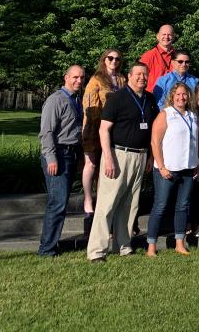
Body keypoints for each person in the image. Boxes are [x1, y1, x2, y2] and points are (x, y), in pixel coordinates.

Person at [87, 63, 161, 262]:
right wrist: (108, 158)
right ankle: (97, 251)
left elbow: (152, 132)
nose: (142, 78)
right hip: (118, 154)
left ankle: (123, 245)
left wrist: (151, 157)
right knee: (107, 203)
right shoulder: (117, 98)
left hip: (140, 155)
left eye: (145, 74)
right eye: (138, 74)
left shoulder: (149, 99)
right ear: (129, 76)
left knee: (130, 204)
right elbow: (104, 130)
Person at [147, 82, 199, 257]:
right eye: (177, 94)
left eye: (184, 94)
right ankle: (151, 246)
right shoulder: (166, 114)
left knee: (183, 206)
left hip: (187, 167)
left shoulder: (193, 115)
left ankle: (179, 243)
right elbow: (155, 142)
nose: (181, 97)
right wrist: (161, 166)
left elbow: (196, 141)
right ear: (172, 96)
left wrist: (197, 162)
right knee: (160, 206)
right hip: (167, 168)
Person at [38, 65, 85, 257]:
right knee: (57, 202)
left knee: (61, 201)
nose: (79, 81)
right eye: (75, 77)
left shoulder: (77, 100)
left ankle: (51, 244)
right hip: (58, 154)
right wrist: (51, 158)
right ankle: (46, 249)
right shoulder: (55, 100)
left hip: (72, 154)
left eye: (82, 78)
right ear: (66, 78)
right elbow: (46, 132)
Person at [81, 50, 124, 233]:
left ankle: (102, 200)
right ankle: (88, 199)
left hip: (114, 129)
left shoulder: (122, 80)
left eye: (117, 59)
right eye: (110, 58)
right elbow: (89, 104)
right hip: (94, 126)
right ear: (104, 60)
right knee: (91, 164)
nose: (114, 61)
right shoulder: (96, 79)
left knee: (105, 167)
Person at [140, 24, 176, 93]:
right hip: (154, 98)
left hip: (174, 98)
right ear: (158, 36)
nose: (166, 37)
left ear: (173, 37)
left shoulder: (178, 57)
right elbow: (139, 78)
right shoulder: (149, 56)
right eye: (164, 34)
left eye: (169, 34)